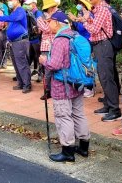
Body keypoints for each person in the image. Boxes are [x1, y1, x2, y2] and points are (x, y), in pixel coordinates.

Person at [39, 11, 90, 162]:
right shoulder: (75, 35)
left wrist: (43, 61)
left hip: (62, 85)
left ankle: (68, 151)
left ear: (57, 22)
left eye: (50, 22)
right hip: (77, 83)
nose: (48, 24)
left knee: (63, 116)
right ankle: (84, 147)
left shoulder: (60, 40)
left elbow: (54, 64)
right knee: (78, 113)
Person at [76, 0, 119, 121]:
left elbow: (94, 29)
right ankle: (108, 104)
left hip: (103, 45)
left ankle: (115, 109)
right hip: (99, 45)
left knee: (106, 77)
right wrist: (87, 20)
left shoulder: (102, 10)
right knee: (103, 76)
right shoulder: (98, 9)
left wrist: (84, 22)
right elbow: (95, 25)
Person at [0, 0, 32, 93]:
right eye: (8, 0)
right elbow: (11, 26)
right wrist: (8, 39)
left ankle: (27, 84)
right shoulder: (14, 11)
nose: (9, 2)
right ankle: (21, 83)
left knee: (22, 63)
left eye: (11, 0)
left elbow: (12, 19)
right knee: (16, 64)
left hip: (20, 41)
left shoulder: (20, 11)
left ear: (17, 0)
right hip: (13, 42)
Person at [37, 0, 60, 100]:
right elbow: (47, 29)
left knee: (58, 68)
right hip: (46, 46)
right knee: (47, 70)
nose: (56, 9)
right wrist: (53, 23)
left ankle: (57, 89)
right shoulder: (40, 19)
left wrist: (54, 24)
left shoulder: (58, 16)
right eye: (55, 7)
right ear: (50, 8)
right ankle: (47, 91)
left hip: (58, 45)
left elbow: (63, 28)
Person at [24, 0, 43, 77]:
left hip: (36, 39)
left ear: (34, 4)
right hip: (30, 38)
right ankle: (25, 75)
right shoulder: (28, 13)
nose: (28, 6)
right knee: (29, 57)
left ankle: (40, 74)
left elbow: (40, 26)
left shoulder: (38, 13)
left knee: (39, 57)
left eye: (29, 4)